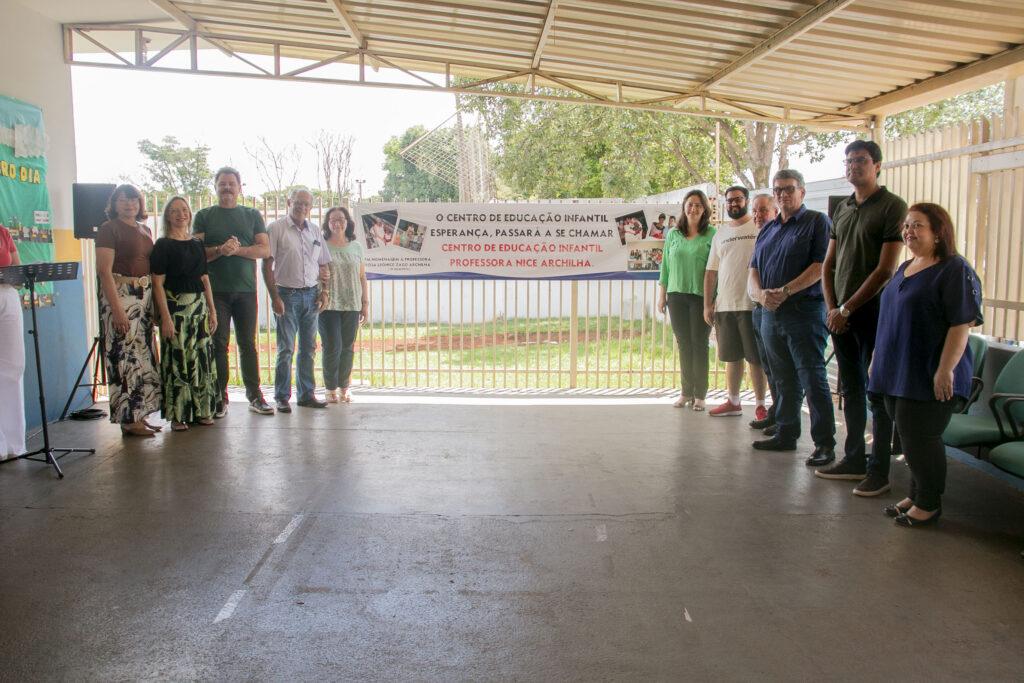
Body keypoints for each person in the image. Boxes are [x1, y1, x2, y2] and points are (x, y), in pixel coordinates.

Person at [869, 203, 982, 527]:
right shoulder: (906, 266)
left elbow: (962, 323)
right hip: (896, 369)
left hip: (929, 370)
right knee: (906, 433)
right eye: (906, 226)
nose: (909, 231)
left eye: (918, 225)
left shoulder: (954, 269)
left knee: (920, 435)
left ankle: (929, 503)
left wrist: (945, 369)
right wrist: (877, 358)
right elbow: (889, 319)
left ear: (938, 232)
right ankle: (916, 494)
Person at [816, 141, 907, 496]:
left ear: (877, 166)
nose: (854, 166)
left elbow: (886, 269)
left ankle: (878, 470)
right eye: (850, 161)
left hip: (872, 313)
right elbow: (828, 264)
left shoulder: (891, 206)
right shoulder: (843, 207)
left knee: (876, 391)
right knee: (850, 388)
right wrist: (831, 308)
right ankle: (853, 460)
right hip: (839, 315)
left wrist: (847, 308)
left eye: (862, 161)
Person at [749, 169, 836, 464]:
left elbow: (820, 266)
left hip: (804, 313)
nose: (783, 195)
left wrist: (785, 290)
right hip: (771, 314)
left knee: (812, 378)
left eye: (788, 189)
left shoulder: (817, 222)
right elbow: (753, 270)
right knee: (783, 379)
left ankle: (824, 444)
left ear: (802, 192)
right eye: (778, 190)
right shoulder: (768, 230)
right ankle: (786, 433)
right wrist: (761, 295)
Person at [193, 167, 272, 416]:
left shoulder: (252, 215)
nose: (227, 188)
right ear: (215, 187)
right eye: (222, 184)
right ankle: (219, 398)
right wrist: (219, 250)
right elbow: (195, 254)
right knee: (219, 344)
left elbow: (264, 250)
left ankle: (255, 396)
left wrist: (235, 250)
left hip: (246, 291)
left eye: (231, 184)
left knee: (247, 344)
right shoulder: (204, 216)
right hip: (215, 293)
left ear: (239, 188)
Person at [94, 184, 161, 437]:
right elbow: (104, 271)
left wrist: (153, 305)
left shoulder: (145, 229)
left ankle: (140, 414)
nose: (129, 204)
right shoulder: (108, 229)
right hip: (121, 296)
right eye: (123, 200)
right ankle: (128, 418)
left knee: (143, 356)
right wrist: (118, 311)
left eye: (134, 200)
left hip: (143, 297)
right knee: (124, 357)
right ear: (114, 203)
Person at [151, 196, 218, 432]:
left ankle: (202, 410)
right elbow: (157, 284)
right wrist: (165, 317)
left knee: (201, 359)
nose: (181, 214)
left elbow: (205, 279)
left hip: (199, 307)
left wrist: (212, 310)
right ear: (168, 216)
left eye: (185, 210)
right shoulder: (162, 245)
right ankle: (179, 414)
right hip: (175, 308)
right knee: (178, 360)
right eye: (175, 210)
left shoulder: (197, 244)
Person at [263, 188, 331, 411]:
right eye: (298, 203)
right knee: (286, 349)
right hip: (286, 295)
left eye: (307, 204)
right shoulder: (276, 228)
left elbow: (323, 264)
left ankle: (306, 394)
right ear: (289, 202)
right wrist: (274, 297)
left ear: (310, 207)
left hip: (311, 295)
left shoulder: (314, 231)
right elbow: (267, 265)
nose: (302, 207)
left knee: (309, 348)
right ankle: (282, 397)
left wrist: (324, 292)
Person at [703, 185, 768, 418]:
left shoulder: (760, 227)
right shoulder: (720, 233)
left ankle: (761, 404)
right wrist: (707, 304)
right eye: (729, 201)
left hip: (753, 304)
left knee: (756, 358)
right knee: (731, 357)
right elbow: (711, 271)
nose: (733, 204)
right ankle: (733, 401)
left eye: (738, 200)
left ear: (746, 201)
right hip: (725, 304)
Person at [658, 189, 716, 411]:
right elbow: (665, 267)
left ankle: (700, 395)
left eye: (698, 206)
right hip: (676, 296)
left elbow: (716, 269)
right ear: (684, 207)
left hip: (702, 297)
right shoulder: (673, 234)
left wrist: (712, 301)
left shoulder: (712, 234)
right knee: (684, 345)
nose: (693, 209)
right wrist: (662, 295)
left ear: (704, 210)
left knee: (699, 344)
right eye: (690, 204)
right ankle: (685, 392)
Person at [319, 206, 369, 404]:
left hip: (352, 303)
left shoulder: (356, 247)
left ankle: (344, 388)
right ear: (327, 224)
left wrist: (365, 303)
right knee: (332, 347)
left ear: (347, 222)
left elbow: (362, 276)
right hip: (328, 304)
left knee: (347, 347)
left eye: (341, 219)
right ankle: (330, 389)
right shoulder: (322, 245)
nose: (337, 223)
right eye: (333, 220)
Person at [748, 194, 780, 434]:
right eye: (755, 211)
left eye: (763, 211)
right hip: (759, 309)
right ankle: (776, 412)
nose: (758, 215)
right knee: (769, 366)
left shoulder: (781, 234)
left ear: (775, 211)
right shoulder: (762, 236)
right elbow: (754, 271)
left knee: (781, 369)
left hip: (777, 311)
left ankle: (784, 418)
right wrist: (759, 295)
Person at [0, 222, 25, 457]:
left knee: (14, 367)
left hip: (8, 293)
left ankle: (14, 445)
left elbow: (17, 270)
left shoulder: (3, 232)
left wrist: (19, 276)